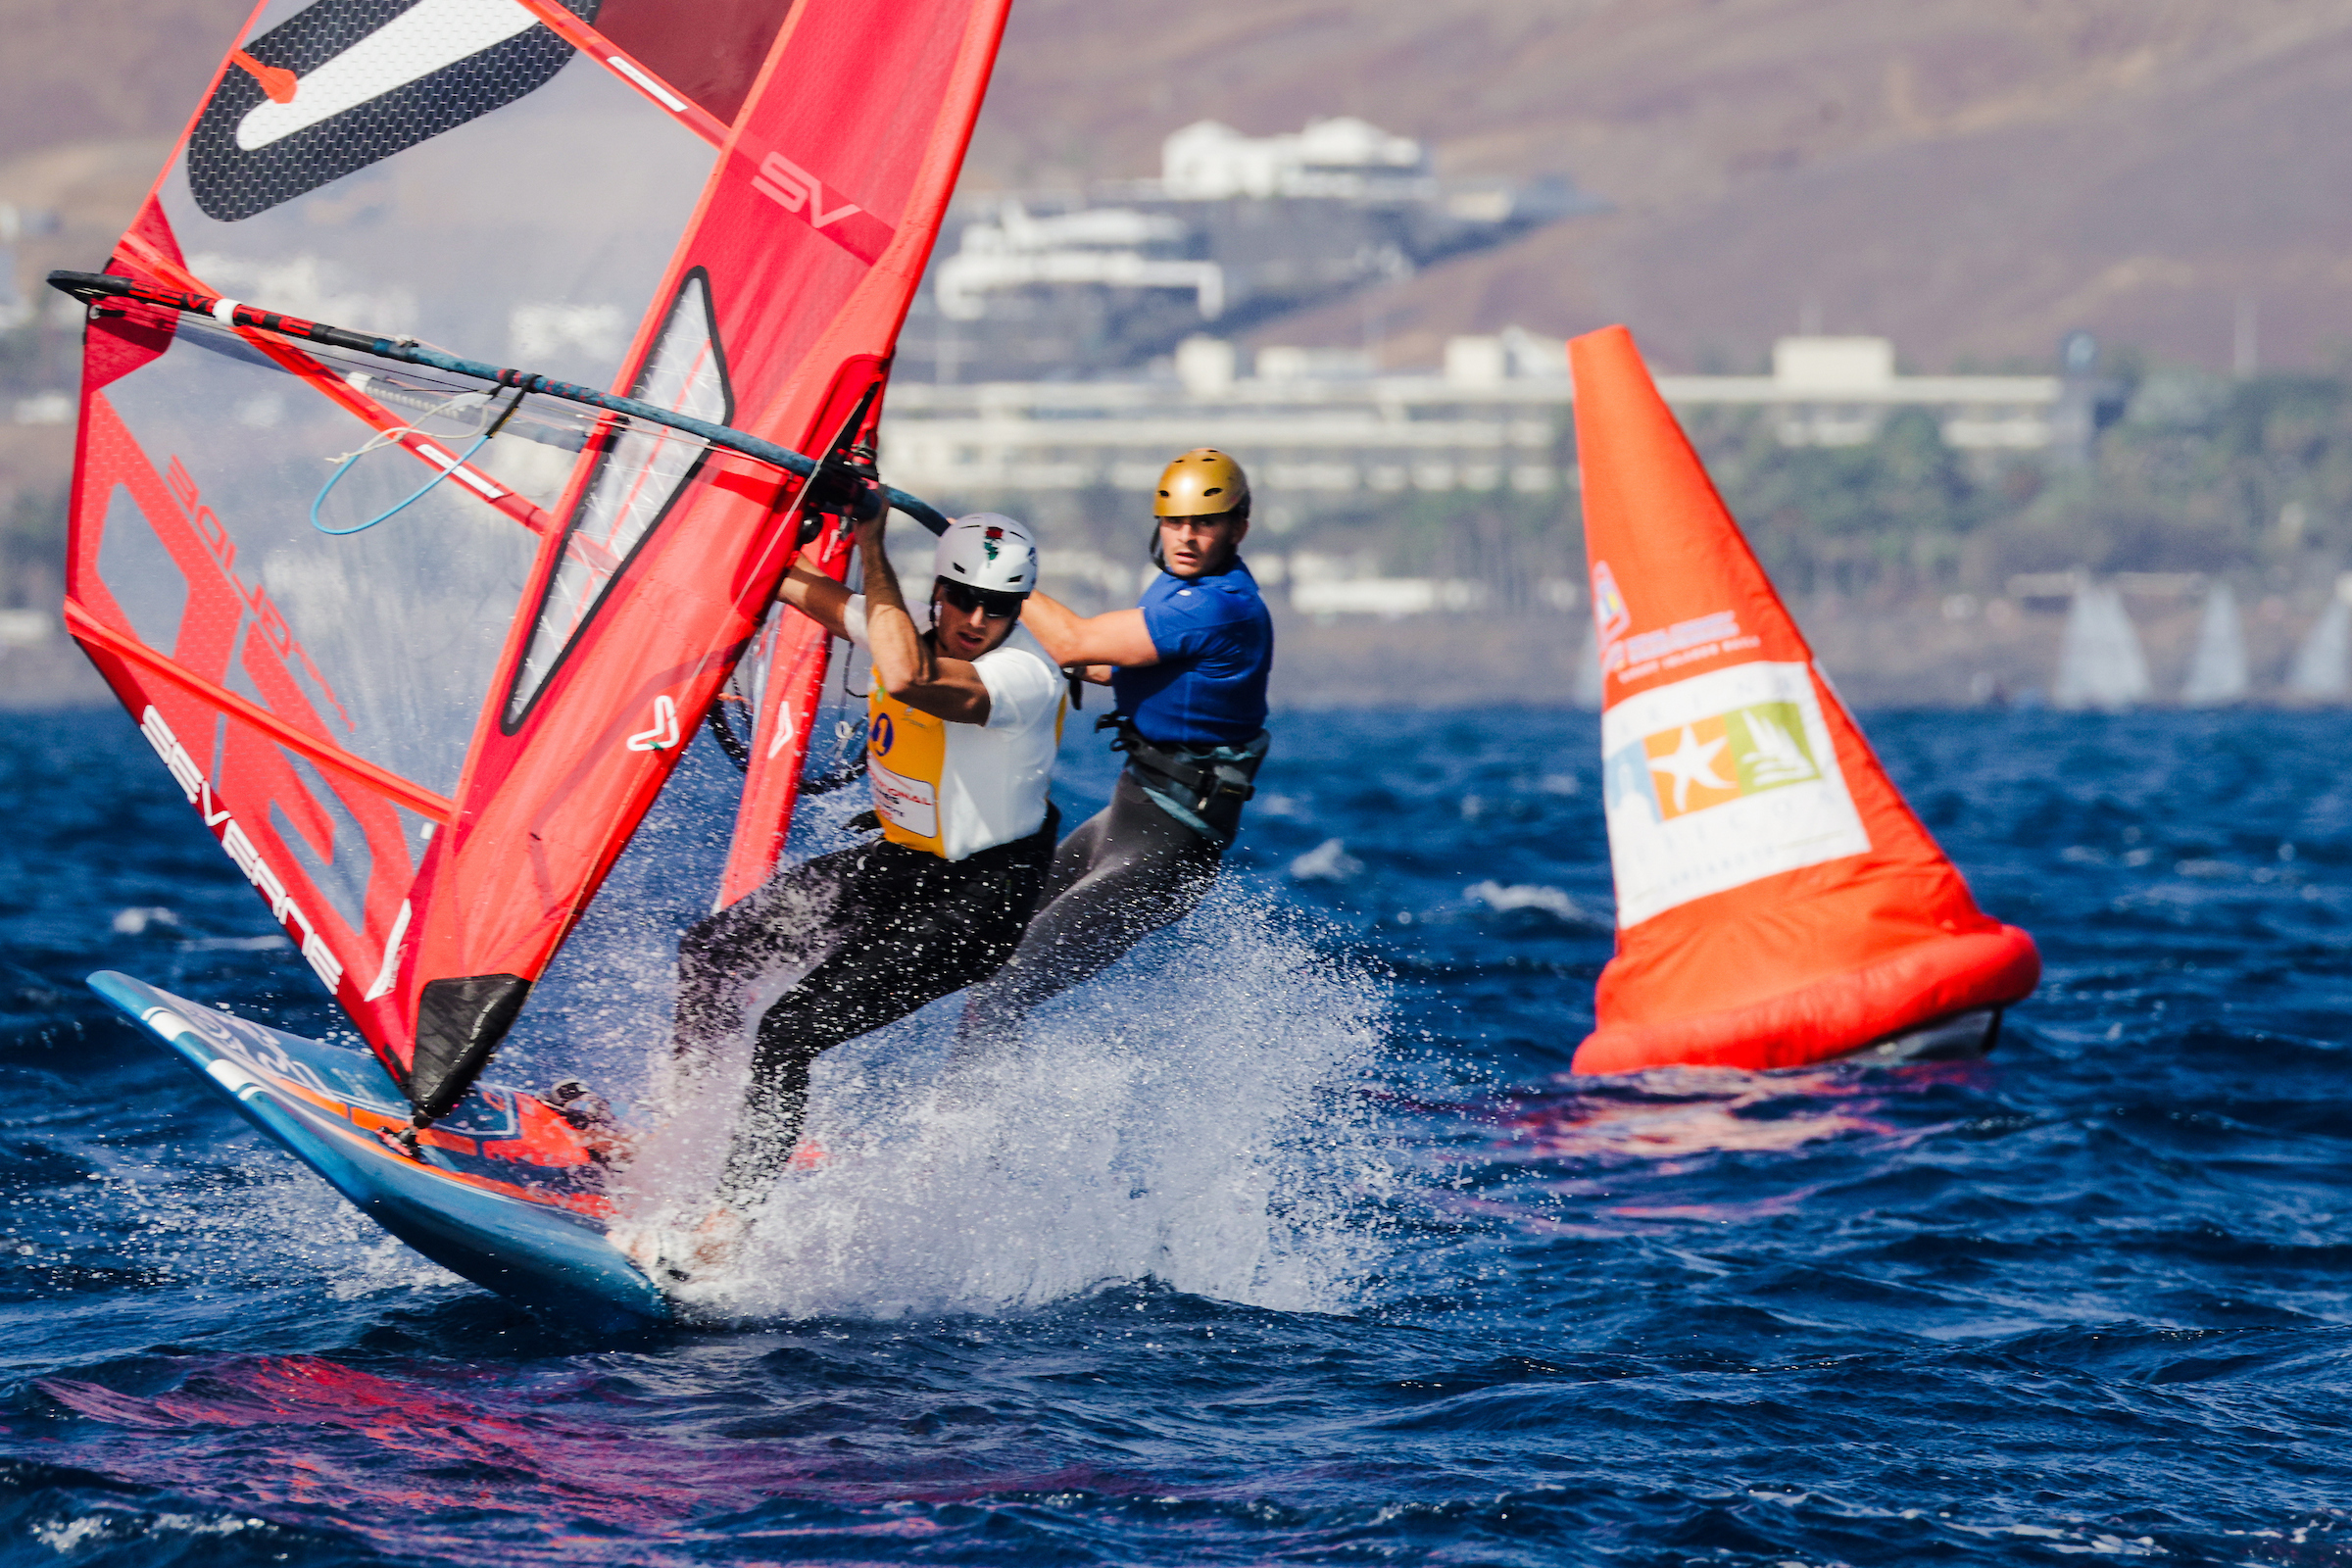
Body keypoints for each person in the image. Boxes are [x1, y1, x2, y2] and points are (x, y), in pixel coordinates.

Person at [668, 506, 1066, 1213]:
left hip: (976, 905)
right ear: (938, 590)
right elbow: (792, 583)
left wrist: (870, 539)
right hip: (900, 867)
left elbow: (910, 679)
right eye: (962, 597)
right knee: (712, 953)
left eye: (997, 607)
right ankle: (685, 1135)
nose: (975, 618)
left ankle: (727, 1223)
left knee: (788, 1032)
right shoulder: (902, 628)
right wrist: (756, 514)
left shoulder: (1025, 676)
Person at [955, 448, 1273, 1053]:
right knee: (986, 953)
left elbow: (1075, 643)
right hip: (1124, 821)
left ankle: (968, 1145)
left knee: (1005, 989)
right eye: (1174, 522)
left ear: (1238, 529)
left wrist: (987, 563)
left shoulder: (1219, 604)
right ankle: (952, 1126)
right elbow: (1111, 663)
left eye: (1204, 524)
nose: (1187, 537)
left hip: (1164, 853)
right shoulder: (1182, 589)